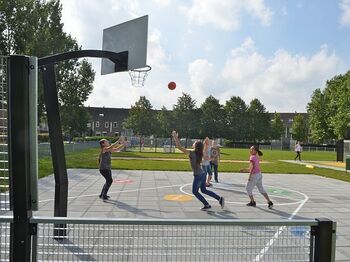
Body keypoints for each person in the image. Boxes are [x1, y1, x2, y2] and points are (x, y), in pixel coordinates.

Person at [172, 131, 224, 210]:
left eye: (195, 142)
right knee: (204, 190)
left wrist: (175, 137)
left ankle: (207, 205)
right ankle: (219, 199)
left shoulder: (192, 153)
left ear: (195, 146)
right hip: (202, 174)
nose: (194, 142)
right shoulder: (200, 153)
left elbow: (179, 147)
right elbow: (203, 148)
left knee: (195, 192)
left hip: (199, 175)